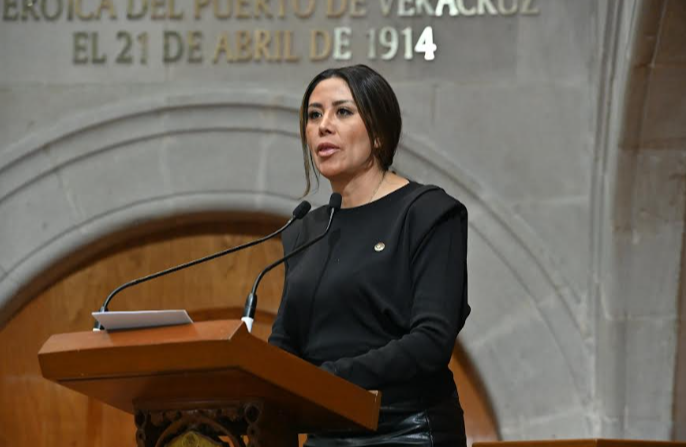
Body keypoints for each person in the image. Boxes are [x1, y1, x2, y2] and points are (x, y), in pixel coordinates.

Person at [268, 64, 470, 447]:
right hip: (325, 429)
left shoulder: (427, 213)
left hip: (407, 429)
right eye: (314, 115)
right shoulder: (304, 230)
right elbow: (286, 340)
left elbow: (431, 340)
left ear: (378, 133)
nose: (324, 126)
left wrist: (328, 378)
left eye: (343, 112)